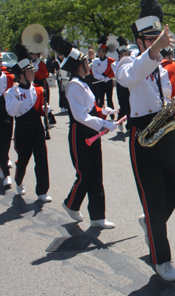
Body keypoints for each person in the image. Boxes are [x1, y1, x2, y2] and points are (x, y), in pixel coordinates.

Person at [116, 0, 175, 281]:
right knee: (153, 196)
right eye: (150, 39)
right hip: (142, 134)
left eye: (158, 38)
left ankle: (150, 222)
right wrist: (154, 50)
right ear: (139, 41)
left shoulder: (162, 68)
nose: (156, 44)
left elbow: (164, 99)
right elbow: (131, 77)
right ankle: (162, 260)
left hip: (166, 128)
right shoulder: (126, 63)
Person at [50, 35, 117, 227]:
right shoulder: (73, 85)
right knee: (85, 174)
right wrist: (104, 124)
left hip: (91, 132)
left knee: (96, 174)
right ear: (79, 65)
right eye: (86, 61)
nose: (89, 62)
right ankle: (71, 204)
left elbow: (91, 108)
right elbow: (80, 116)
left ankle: (97, 217)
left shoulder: (84, 83)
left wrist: (106, 111)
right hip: (80, 134)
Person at [4, 43, 52, 202]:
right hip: (22, 129)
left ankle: (42, 192)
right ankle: (18, 180)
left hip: (37, 128)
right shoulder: (11, 92)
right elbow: (12, 112)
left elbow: (38, 108)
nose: (34, 73)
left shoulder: (38, 89)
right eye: (31, 71)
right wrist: (17, 97)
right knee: (23, 159)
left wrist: (45, 109)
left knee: (42, 159)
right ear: (23, 74)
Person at [92, 36, 115, 119]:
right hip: (99, 83)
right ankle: (100, 117)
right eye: (98, 51)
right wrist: (102, 77)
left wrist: (107, 78)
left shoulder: (111, 60)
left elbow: (113, 72)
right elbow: (94, 73)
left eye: (100, 51)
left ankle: (112, 117)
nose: (98, 53)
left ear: (104, 52)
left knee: (109, 100)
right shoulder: (95, 61)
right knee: (100, 100)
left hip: (108, 82)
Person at [0, 54, 15, 189]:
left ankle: (3, 160)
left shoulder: (8, 77)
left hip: (6, 111)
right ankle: (6, 174)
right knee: (1, 143)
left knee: (7, 137)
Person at [114, 36, 131, 131]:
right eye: (124, 53)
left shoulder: (130, 61)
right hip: (121, 86)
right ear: (120, 54)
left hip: (129, 84)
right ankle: (120, 120)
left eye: (126, 53)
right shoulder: (115, 64)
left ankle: (129, 125)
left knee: (130, 105)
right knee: (124, 106)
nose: (126, 55)